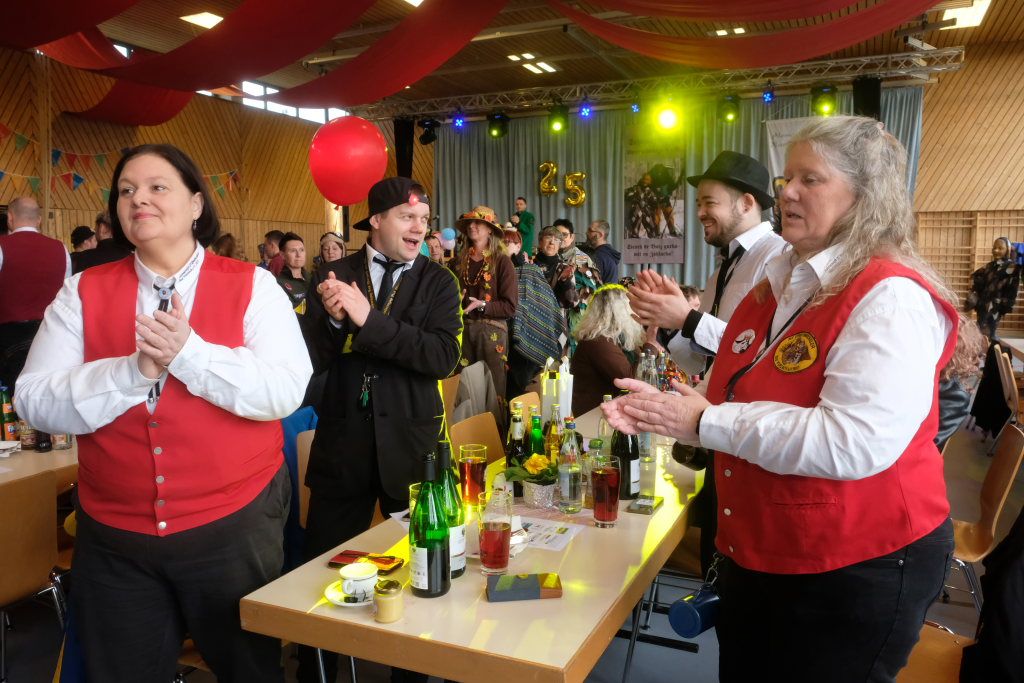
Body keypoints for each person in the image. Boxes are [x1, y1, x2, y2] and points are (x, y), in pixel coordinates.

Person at [604, 116, 959, 683]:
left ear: (864, 196)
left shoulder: (890, 296)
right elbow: (737, 383)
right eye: (786, 177)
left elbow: (851, 442)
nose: (787, 192)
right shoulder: (780, 284)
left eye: (809, 179)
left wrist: (706, 421)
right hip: (763, 549)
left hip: (855, 562)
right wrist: (670, 405)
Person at [15, 143, 312, 683]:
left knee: (248, 668)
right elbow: (33, 398)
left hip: (233, 521)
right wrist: (132, 372)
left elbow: (285, 389)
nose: (138, 199)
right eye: (126, 190)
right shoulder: (81, 292)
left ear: (196, 204)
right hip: (115, 533)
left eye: (157, 187)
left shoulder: (254, 285)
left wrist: (189, 353)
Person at [300, 177, 462, 683]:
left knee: (422, 573)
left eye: (425, 219)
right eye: (408, 217)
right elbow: (308, 360)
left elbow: (442, 356)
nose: (420, 228)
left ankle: (410, 672)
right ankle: (317, 671)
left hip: (413, 447)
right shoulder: (332, 274)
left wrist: (366, 321)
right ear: (375, 220)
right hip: (342, 445)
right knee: (321, 573)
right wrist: (333, 325)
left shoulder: (439, 282)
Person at [0, 197, 71, 392]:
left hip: (8, 337)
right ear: (39, 220)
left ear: (10, 218)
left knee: (10, 395)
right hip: (49, 334)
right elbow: (65, 294)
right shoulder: (61, 249)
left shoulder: (2, 246)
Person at [452, 205, 518, 401]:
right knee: (464, 393)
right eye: (469, 223)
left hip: (491, 333)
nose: (472, 226)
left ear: (490, 229)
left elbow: (510, 307)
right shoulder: (458, 262)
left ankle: (494, 422)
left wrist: (483, 305)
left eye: (478, 223)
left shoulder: (502, 262)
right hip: (463, 332)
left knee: (492, 394)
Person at [503, 228, 564, 399]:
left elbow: (546, 302)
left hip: (537, 329)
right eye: (502, 242)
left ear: (519, 245)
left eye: (509, 242)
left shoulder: (530, 269)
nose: (505, 246)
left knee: (529, 384)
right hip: (506, 334)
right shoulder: (498, 269)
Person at [570, 284, 644, 415]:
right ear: (621, 312)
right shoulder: (598, 342)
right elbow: (630, 381)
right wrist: (651, 347)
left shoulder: (612, 338)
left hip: (607, 412)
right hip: (593, 419)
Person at [966, 236, 1020, 339]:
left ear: (1007, 250)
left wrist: (1004, 303)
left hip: (995, 306)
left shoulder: (1012, 268)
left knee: (988, 332)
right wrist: (974, 293)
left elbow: (1013, 291)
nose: (996, 250)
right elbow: (976, 278)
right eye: (994, 248)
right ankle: (988, 346)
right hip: (982, 304)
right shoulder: (990, 266)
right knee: (981, 330)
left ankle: (992, 347)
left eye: (1000, 248)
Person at [276, 232, 310, 315]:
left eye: (301, 250)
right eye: (293, 251)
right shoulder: (278, 284)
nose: (298, 255)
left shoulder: (312, 277)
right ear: (282, 255)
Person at [583, 219, 621, 285]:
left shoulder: (598, 256)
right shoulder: (609, 253)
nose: (586, 233)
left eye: (590, 230)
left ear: (600, 235)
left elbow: (592, 285)